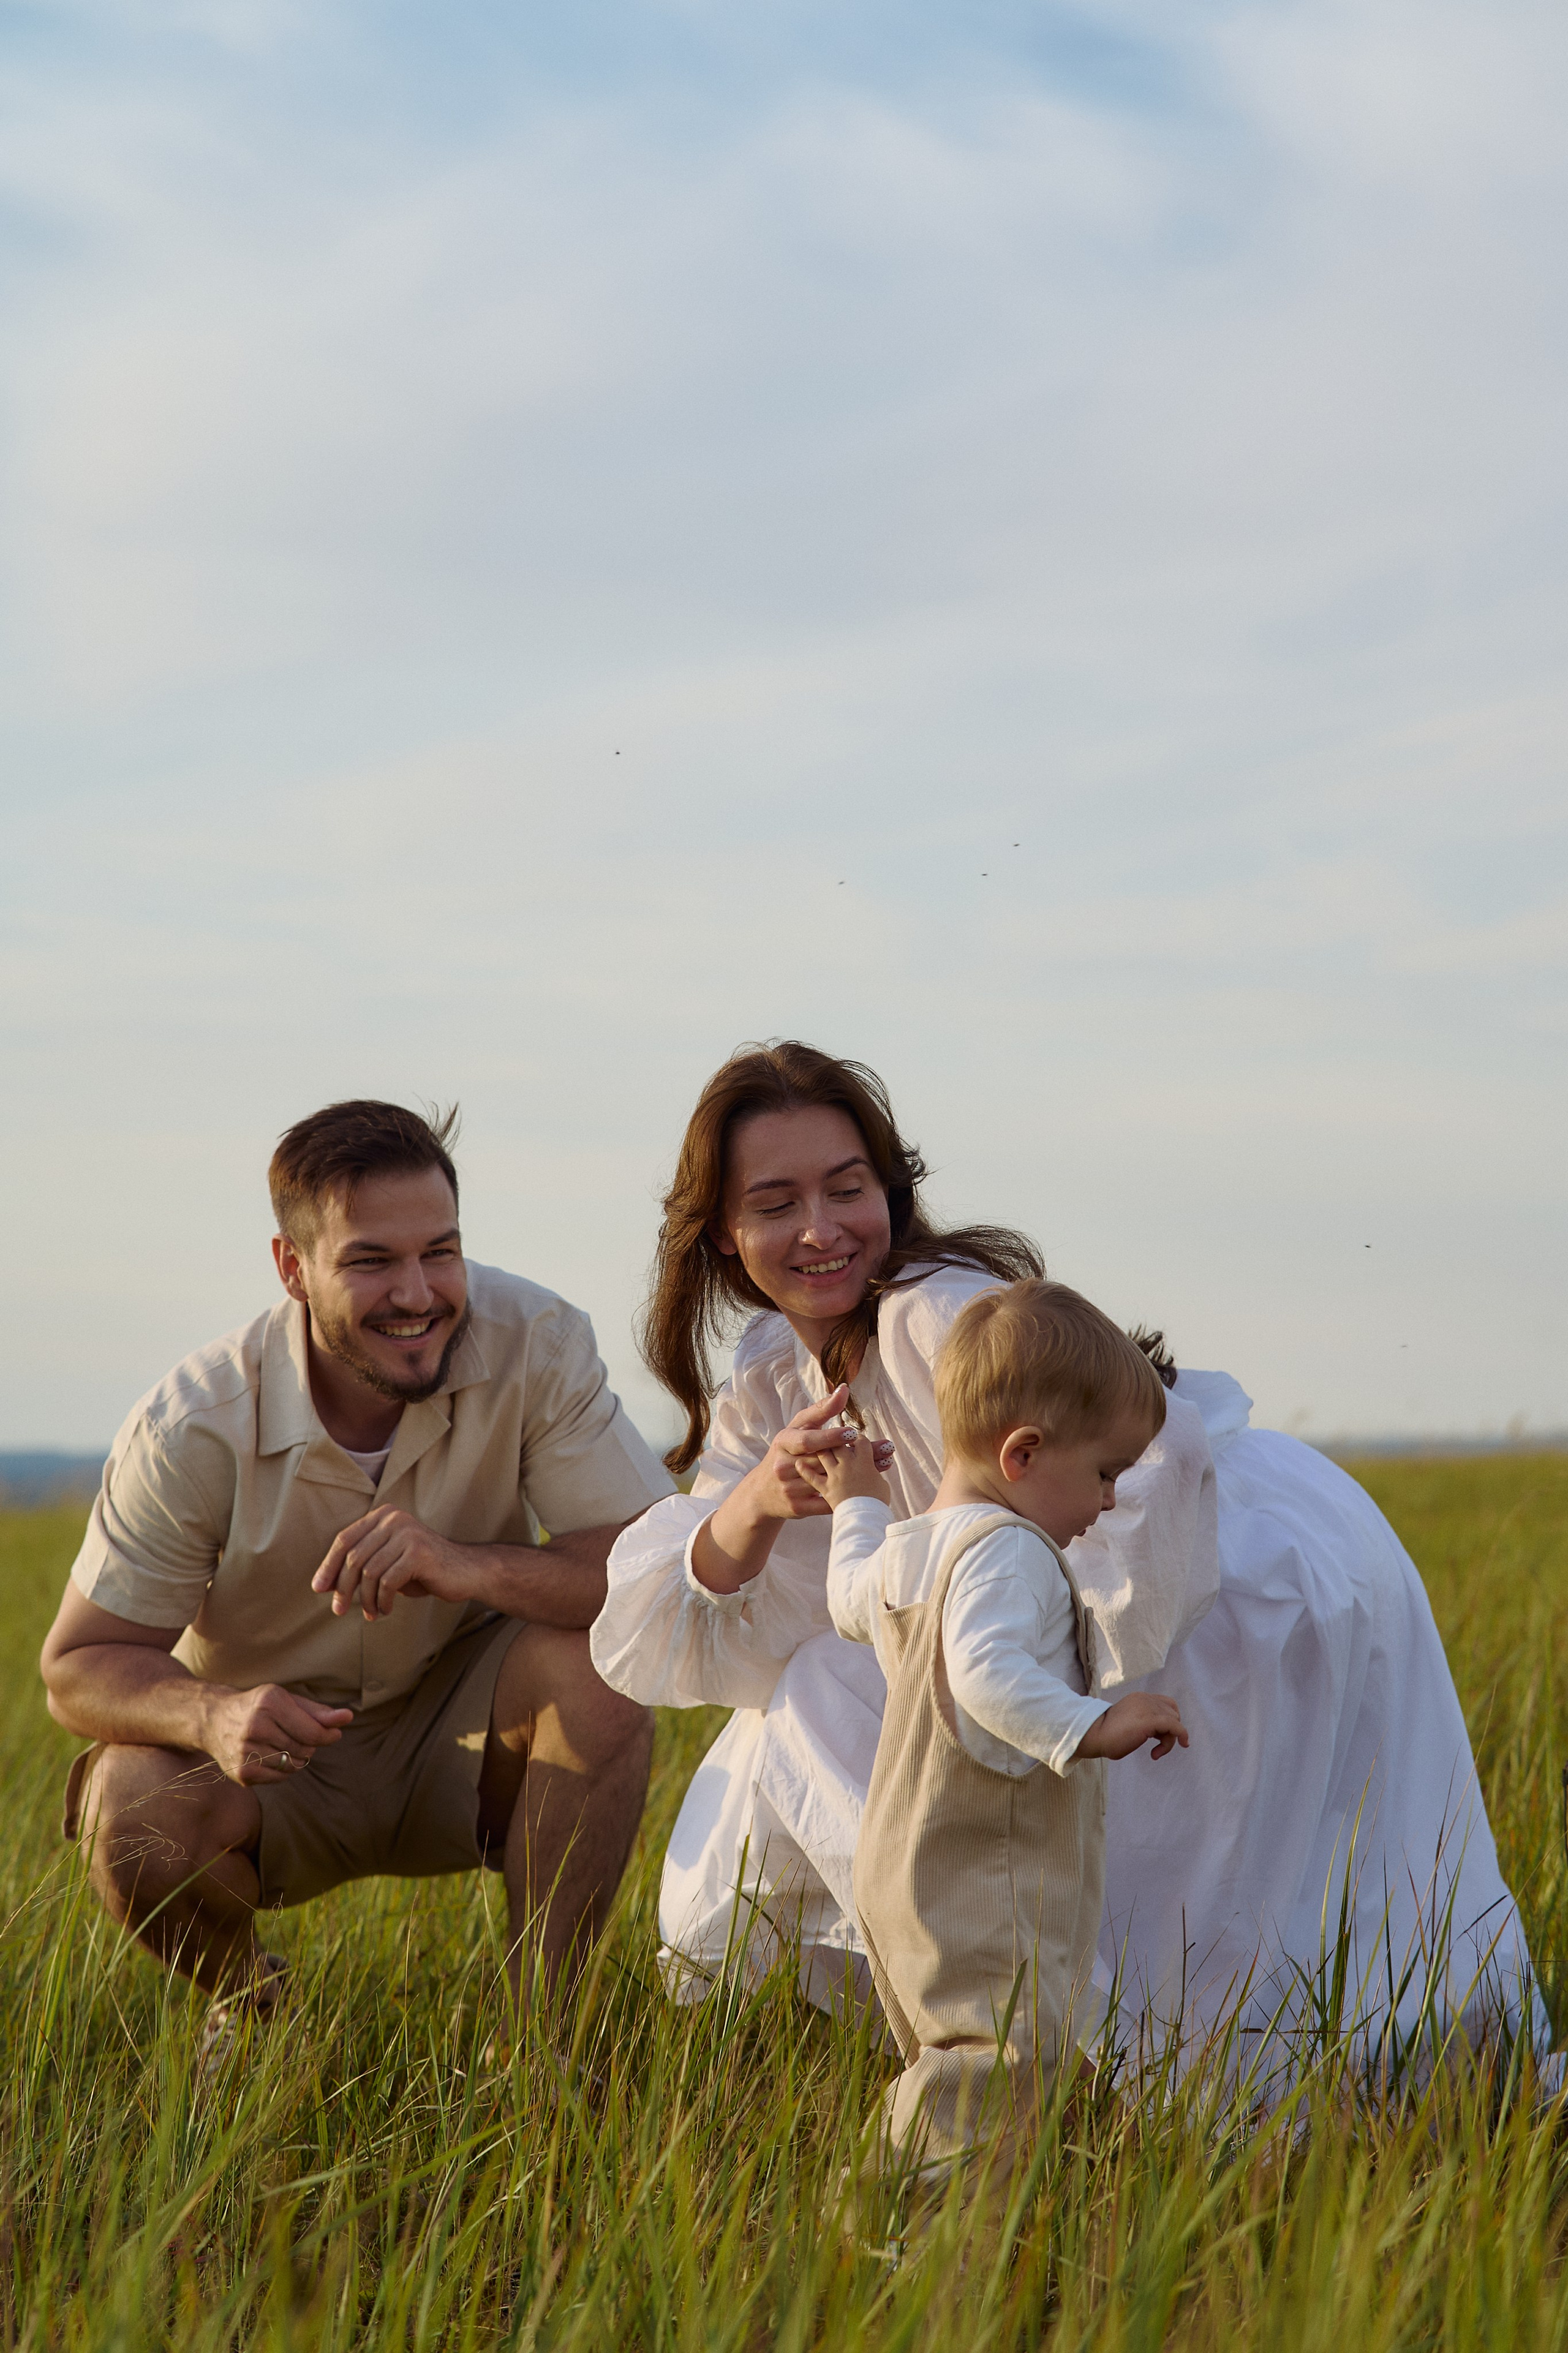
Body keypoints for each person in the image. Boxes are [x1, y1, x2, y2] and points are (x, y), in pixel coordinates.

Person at [591, 1041, 1549, 2083]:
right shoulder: (776, 1372)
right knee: (826, 1696)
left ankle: (1132, 2062)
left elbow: (1155, 1466)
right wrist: (762, 1498)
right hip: (1066, 1587)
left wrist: (1055, 1659)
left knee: (1259, 1882)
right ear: (726, 1241)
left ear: (891, 1195)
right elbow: (680, 1612)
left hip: (1220, 1570)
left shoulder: (931, 1314)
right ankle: (1027, 2034)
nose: (821, 1229)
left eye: (847, 1187)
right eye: (775, 1202)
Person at [41, 1099, 673, 2038]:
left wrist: (465, 1566)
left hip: (464, 1732)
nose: (418, 1292)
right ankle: (260, 2017)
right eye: (372, 1260)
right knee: (128, 1802)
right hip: (271, 1764)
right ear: (292, 1269)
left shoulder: (537, 1338)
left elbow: (645, 1573)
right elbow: (77, 1665)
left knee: (602, 1674)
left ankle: (547, 2046)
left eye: (441, 1250)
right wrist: (209, 1713)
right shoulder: (193, 1422)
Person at [812, 1279, 1188, 2175]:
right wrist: (1093, 1725)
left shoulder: (913, 1543)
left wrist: (855, 1502)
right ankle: (901, 2232)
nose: (1106, 1502)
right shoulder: (1008, 1551)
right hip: (985, 1869)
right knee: (998, 2057)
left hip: (903, 1862)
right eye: (1104, 1473)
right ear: (1022, 1453)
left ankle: (954, 2206)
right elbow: (987, 1675)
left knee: (953, 2059)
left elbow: (847, 1598)